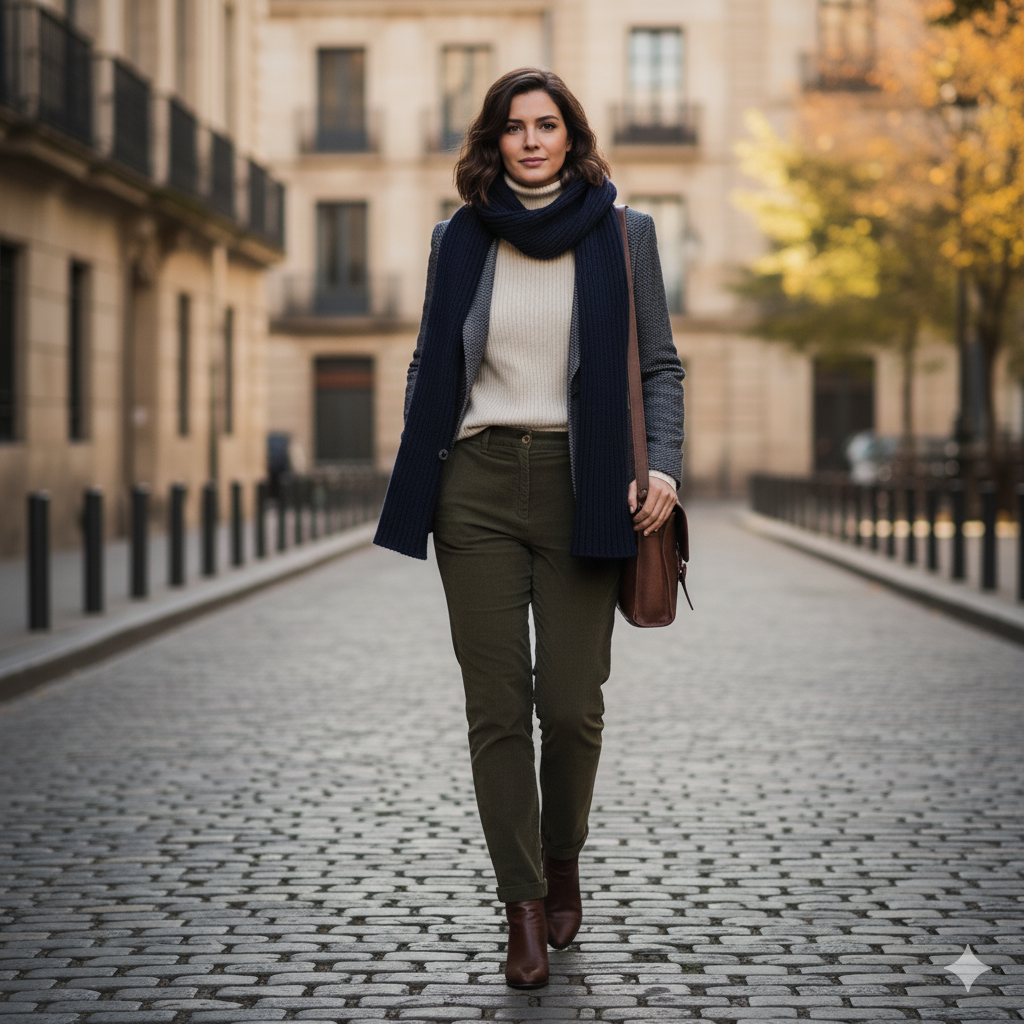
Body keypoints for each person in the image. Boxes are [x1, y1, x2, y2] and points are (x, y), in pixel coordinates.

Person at [374, 67, 685, 988]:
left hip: (584, 483)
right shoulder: (460, 237)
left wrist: (662, 466)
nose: (532, 141)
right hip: (473, 484)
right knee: (498, 706)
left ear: (571, 136)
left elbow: (660, 366)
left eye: (547, 125)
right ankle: (521, 906)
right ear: (494, 141)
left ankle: (561, 860)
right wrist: (423, 451)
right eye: (515, 127)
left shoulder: (625, 234)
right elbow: (432, 358)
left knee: (573, 706)